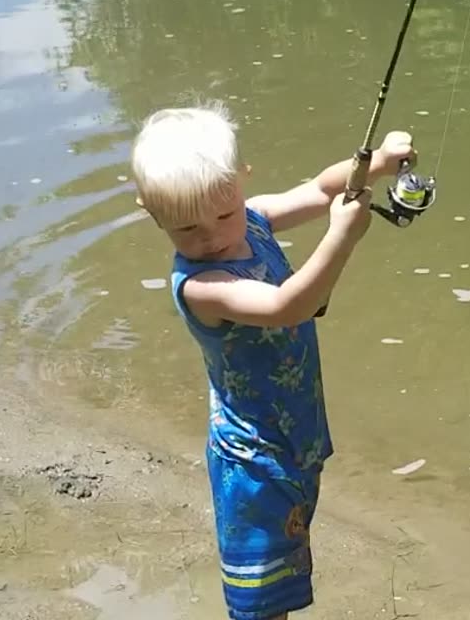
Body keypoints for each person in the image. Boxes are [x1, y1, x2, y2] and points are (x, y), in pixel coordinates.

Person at [128, 102, 416, 620]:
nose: (213, 236)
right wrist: (342, 238)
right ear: (153, 214)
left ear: (241, 183)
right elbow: (289, 306)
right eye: (187, 230)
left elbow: (320, 190)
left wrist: (374, 165)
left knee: (285, 579)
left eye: (223, 213)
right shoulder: (201, 286)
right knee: (260, 604)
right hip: (252, 461)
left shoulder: (254, 219)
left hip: (294, 436)